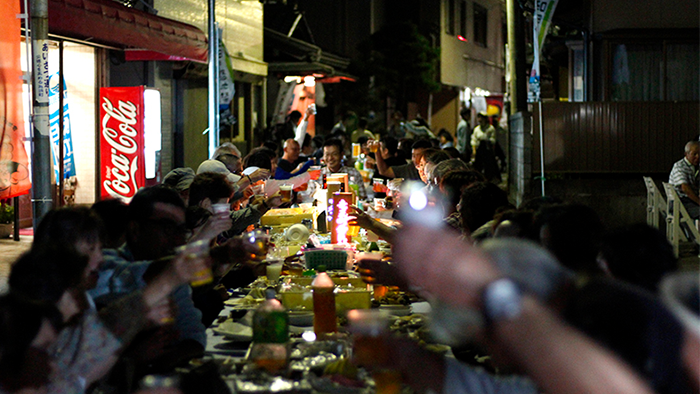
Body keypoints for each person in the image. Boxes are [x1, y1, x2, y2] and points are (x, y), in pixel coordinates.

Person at [669, 140, 700, 219]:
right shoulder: (679, 166)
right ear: (686, 154)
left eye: (699, 154)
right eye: (694, 154)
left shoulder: (695, 167)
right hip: (680, 203)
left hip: (688, 201)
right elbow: (685, 188)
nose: (698, 157)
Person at [471, 112, 500, 182]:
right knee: (478, 168)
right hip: (479, 151)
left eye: (481, 118)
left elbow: (493, 140)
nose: (480, 119)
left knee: (489, 168)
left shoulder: (490, 128)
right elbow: (473, 141)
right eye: (479, 118)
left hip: (488, 151)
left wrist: (486, 140)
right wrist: (474, 151)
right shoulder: (477, 129)